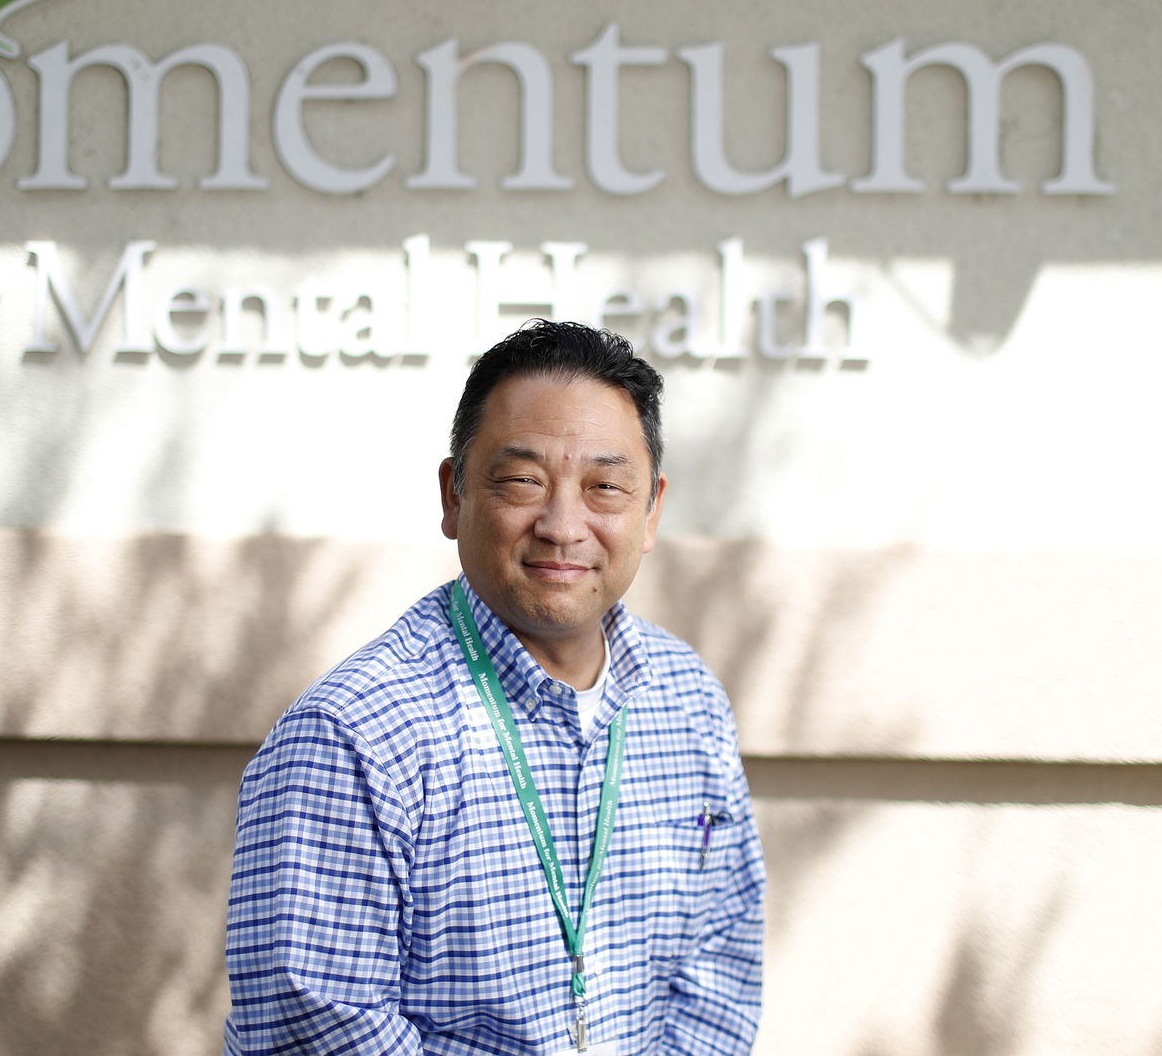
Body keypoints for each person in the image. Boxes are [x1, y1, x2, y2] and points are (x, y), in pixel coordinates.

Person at [224, 320, 765, 1055]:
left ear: (651, 512)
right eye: (522, 480)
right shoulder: (354, 736)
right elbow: (320, 1028)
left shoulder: (687, 700)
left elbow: (719, 964)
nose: (563, 525)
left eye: (605, 486)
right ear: (454, 496)